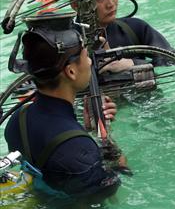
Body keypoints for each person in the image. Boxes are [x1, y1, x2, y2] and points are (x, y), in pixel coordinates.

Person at [4, 13, 122, 199]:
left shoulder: (17, 118)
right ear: (71, 71)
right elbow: (107, 196)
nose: (91, 61)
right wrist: (107, 142)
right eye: (85, 56)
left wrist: (87, 131)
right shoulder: (78, 148)